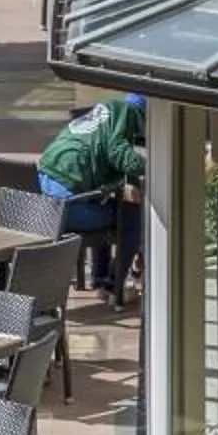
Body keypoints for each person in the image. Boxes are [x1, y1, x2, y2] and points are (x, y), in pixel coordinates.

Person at [38, 92, 145, 297]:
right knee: (131, 215)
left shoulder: (105, 109)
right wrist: (151, 166)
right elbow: (120, 154)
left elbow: (104, 150)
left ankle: (99, 277)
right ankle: (114, 286)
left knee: (105, 201)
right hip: (66, 209)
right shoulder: (128, 116)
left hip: (42, 200)